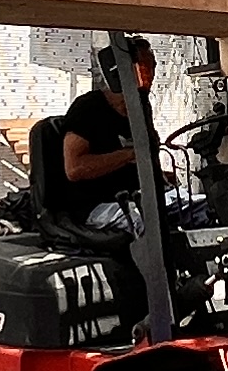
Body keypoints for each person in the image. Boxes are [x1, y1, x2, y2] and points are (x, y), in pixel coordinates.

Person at [56, 46, 158, 232]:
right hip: (96, 205)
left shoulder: (142, 106)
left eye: (152, 68)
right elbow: (74, 168)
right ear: (119, 72)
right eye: (143, 68)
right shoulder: (88, 109)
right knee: (147, 223)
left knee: (201, 208)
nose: (150, 76)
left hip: (140, 196)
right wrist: (130, 154)